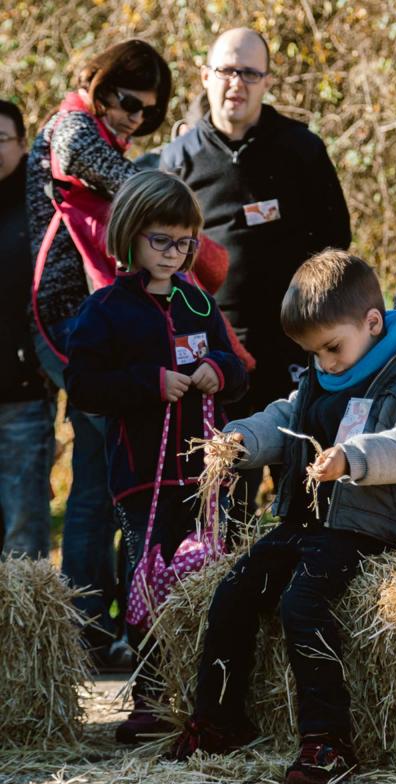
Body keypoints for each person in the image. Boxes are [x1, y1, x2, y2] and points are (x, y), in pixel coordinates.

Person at [168, 250, 396, 784]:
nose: (326, 362)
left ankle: (327, 740)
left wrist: (354, 459)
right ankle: (218, 721)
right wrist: (241, 440)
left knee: (301, 604)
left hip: (374, 528)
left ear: (372, 323)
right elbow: (284, 417)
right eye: (314, 353)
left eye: (333, 348)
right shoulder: (319, 376)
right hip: (306, 524)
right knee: (234, 590)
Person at [64, 170, 247, 742]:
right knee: (145, 577)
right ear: (130, 236)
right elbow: (85, 383)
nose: (173, 253)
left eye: (184, 241)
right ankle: (147, 694)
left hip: (203, 477)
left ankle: (208, 694)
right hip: (140, 477)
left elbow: (237, 368)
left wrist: (220, 371)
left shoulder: (198, 301)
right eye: (160, 241)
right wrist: (150, 381)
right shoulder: (108, 309)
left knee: (205, 578)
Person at [27, 39, 171, 667]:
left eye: (147, 110)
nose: (134, 117)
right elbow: (90, 162)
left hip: (89, 322)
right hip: (67, 324)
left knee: (104, 475)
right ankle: (86, 626)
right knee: (95, 480)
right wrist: (167, 193)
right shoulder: (72, 127)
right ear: (98, 82)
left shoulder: (104, 138)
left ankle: (102, 618)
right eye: (126, 100)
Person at [160, 28, 351, 409]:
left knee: (301, 466)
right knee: (227, 467)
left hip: (296, 346)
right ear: (204, 76)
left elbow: (336, 240)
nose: (237, 83)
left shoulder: (301, 148)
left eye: (250, 73)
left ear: (267, 82)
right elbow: (161, 261)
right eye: (227, 70)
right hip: (212, 354)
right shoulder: (177, 160)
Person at [0, 99, 55, 559]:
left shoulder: (39, 207)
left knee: (24, 529)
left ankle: (24, 633)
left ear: (22, 143)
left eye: (1, 140)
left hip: (22, 397)